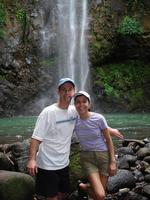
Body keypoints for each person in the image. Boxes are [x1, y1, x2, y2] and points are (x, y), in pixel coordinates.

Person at [27, 78, 123, 200]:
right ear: (58, 91)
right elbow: (36, 137)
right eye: (64, 90)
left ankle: (84, 188)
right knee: (52, 197)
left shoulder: (74, 111)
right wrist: (31, 159)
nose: (67, 93)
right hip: (47, 163)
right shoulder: (48, 112)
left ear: (74, 91)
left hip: (63, 163)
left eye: (70, 89)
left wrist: (110, 130)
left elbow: (91, 119)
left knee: (63, 194)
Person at [74, 91, 117, 200]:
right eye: (78, 102)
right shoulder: (74, 121)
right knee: (101, 195)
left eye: (84, 101)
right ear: (75, 105)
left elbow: (108, 139)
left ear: (89, 104)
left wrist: (113, 162)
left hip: (103, 157)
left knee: (100, 194)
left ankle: (85, 187)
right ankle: (83, 186)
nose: (81, 104)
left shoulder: (99, 118)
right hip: (87, 158)